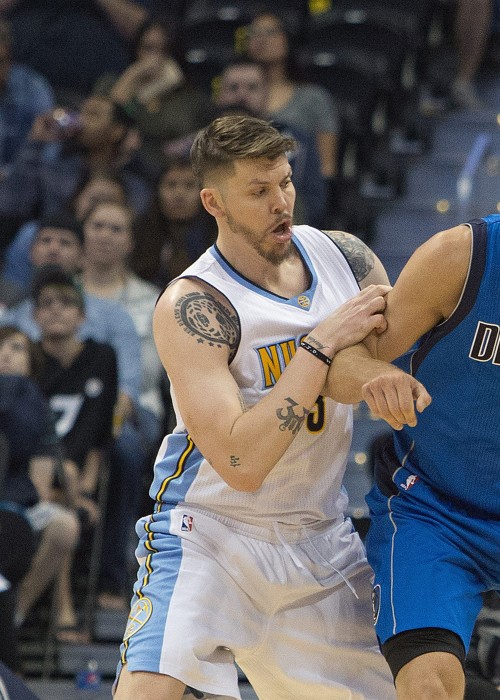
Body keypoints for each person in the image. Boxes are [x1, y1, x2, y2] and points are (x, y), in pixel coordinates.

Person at [113, 114, 396, 699]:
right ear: (213, 202)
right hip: (212, 531)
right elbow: (241, 465)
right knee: (147, 692)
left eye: (285, 182)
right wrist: (319, 346)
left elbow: (396, 361)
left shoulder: (345, 258)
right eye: (259, 190)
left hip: (319, 533)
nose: (280, 202)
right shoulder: (195, 304)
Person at [325, 213, 500, 699]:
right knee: (427, 687)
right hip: (437, 512)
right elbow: (340, 365)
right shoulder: (458, 257)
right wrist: (373, 376)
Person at [80, 199, 165, 607]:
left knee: (124, 450)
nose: (105, 235)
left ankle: (113, 575)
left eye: (116, 228)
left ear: (131, 241)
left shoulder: (152, 299)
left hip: (134, 408)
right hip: (71, 405)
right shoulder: (60, 295)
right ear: (84, 232)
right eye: (97, 225)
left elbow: (146, 373)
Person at [31, 265, 118, 641]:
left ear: (81, 316)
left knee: (80, 471)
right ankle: (62, 608)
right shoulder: (29, 359)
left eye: (66, 303)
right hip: (35, 472)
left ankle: (65, 604)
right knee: (66, 495)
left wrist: (84, 486)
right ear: (35, 316)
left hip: (78, 471)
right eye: (46, 303)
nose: (55, 309)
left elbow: (100, 432)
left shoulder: (101, 356)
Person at [0, 325, 81, 651]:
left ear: (31, 363)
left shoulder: (36, 406)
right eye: (0, 347)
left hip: (15, 505)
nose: (6, 354)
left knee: (64, 525)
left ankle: (12, 616)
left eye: (16, 348)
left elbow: (40, 484)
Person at [0, 93, 151, 225]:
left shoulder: (134, 185)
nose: (82, 120)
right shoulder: (55, 171)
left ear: (116, 131)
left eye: (93, 114)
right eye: (81, 112)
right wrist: (36, 142)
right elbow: (12, 206)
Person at [94, 17, 213, 180]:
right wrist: (132, 77)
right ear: (136, 49)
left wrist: (163, 85)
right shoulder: (111, 84)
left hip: (167, 174)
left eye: (164, 50)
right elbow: (105, 121)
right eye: (148, 48)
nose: (155, 58)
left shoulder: (190, 99)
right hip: (114, 168)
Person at [215, 57, 328, 227]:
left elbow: (314, 205)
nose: (241, 95)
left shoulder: (296, 143)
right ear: (219, 94)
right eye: (233, 88)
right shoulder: (199, 143)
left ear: (267, 94)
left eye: (252, 87)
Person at [245, 11, 340, 181]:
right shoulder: (237, 93)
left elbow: (327, 167)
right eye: (255, 33)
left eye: (270, 32)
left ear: (288, 39)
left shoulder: (313, 98)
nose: (261, 39)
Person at [1, 171, 128, 291]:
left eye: (110, 201)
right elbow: (12, 286)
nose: (101, 207)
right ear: (78, 197)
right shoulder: (32, 232)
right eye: (95, 199)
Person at [131, 155, 217, 288]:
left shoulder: (219, 236)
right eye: (171, 185)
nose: (179, 194)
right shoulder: (140, 233)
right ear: (157, 191)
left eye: (189, 186)